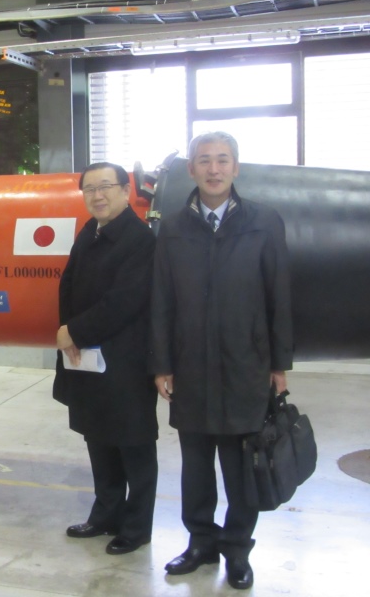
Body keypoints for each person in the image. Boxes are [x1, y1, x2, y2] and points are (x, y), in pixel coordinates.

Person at [151, 131, 293, 590]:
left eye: (222, 160)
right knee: (195, 469)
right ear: (190, 169)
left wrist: (279, 362)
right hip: (189, 367)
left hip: (244, 366)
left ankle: (237, 551)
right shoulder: (171, 227)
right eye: (204, 160)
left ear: (236, 167)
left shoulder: (263, 222)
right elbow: (161, 301)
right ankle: (200, 544)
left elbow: (279, 297)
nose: (214, 169)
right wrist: (162, 362)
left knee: (240, 472)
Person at [53, 162, 158, 556]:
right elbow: (69, 285)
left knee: (134, 444)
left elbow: (125, 302)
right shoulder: (90, 230)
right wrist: (69, 333)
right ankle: (106, 514)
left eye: (105, 187)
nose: (97, 196)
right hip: (88, 359)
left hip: (125, 361)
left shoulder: (139, 240)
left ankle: (137, 527)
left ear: (125, 189)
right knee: (98, 437)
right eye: (89, 189)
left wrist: (74, 332)